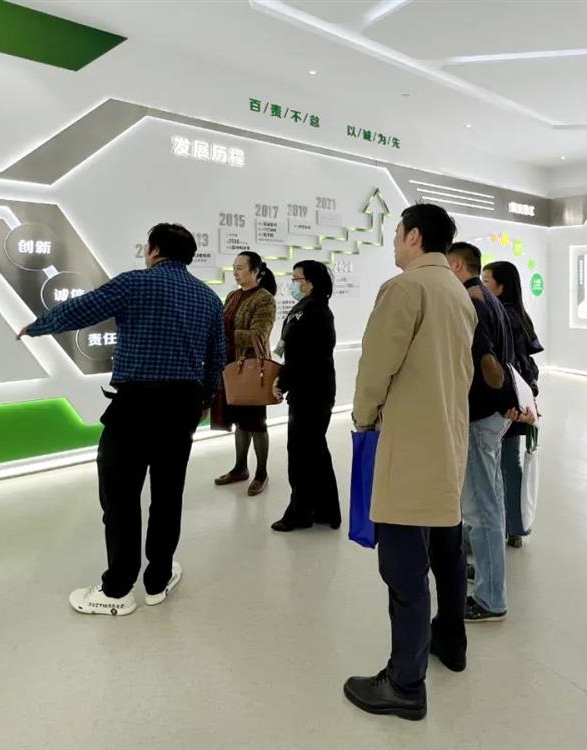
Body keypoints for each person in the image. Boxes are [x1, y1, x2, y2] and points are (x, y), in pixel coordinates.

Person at [17, 223, 226, 617]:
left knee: (120, 498)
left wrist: (38, 326)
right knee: (168, 496)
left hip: (135, 406)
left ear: (155, 250)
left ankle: (117, 589)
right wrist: (205, 399)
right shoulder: (208, 298)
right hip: (182, 407)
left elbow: (82, 309)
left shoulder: (135, 283)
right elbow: (217, 358)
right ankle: (157, 581)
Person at [343, 204, 476, 721]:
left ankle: (405, 684)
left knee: (403, 572)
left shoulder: (404, 289)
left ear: (415, 236)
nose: (394, 242)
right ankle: (449, 643)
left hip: (407, 448)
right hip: (446, 444)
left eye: (397, 233)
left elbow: (376, 368)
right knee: (444, 553)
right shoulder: (457, 292)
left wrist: (362, 418)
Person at [447, 242, 517, 623]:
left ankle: (491, 598)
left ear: (457, 264)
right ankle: (489, 573)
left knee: (480, 506)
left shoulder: (471, 301)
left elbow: (488, 365)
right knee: (491, 498)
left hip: (480, 417)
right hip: (494, 415)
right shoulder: (490, 299)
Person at [269, 260, 340, 532]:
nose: (293, 284)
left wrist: (283, 380)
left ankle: (301, 512)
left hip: (312, 391)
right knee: (314, 450)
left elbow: (305, 356)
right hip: (309, 389)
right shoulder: (307, 308)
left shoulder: (316, 312)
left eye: (297, 279)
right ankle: (325, 509)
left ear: (310, 283)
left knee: (303, 453)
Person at [483, 261, 544, 549]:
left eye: (486, 280)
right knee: (510, 462)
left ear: (501, 286)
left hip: (508, 401)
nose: (481, 285)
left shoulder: (501, 316)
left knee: (499, 465)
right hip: (520, 398)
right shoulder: (520, 315)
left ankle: (499, 527)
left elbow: (507, 365)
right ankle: (516, 526)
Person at [212, 251, 277, 497]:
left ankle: (261, 473)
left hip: (251, 369)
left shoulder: (264, 298)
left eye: (240, 268)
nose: (236, 273)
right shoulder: (233, 295)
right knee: (240, 421)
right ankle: (240, 468)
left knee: (256, 423)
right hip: (231, 367)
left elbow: (258, 336)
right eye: (234, 268)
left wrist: (224, 333)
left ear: (255, 271)